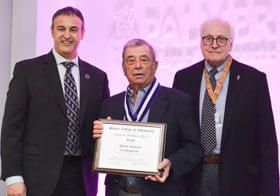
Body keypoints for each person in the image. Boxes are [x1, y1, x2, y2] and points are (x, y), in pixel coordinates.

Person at [1, 6, 109, 196]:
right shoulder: (27, 71)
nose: (67, 35)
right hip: (37, 177)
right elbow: (12, 128)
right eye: (61, 29)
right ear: (52, 31)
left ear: (82, 33)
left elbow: (104, 123)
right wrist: (13, 177)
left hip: (82, 179)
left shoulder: (98, 77)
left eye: (73, 29)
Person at [172, 18, 279, 196]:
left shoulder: (254, 80)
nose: (214, 44)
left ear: (231, 44)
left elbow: (267, 143)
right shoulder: (183, 78)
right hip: (193, 176)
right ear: (200, 43)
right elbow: (175, 133)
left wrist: (270, 191)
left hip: (240, 179)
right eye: (208, 38)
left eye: (221, 39)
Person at [92, 38, 203, 196]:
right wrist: (99, 139)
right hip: (119, 191)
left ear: (155, 66)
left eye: (144, 60)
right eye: (131, 60)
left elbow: (194, 148)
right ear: (123, 68)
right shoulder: (110, 104)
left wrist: (171, 163)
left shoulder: (178, 101)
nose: (137, 65)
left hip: (161, 191)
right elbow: (96, 151)